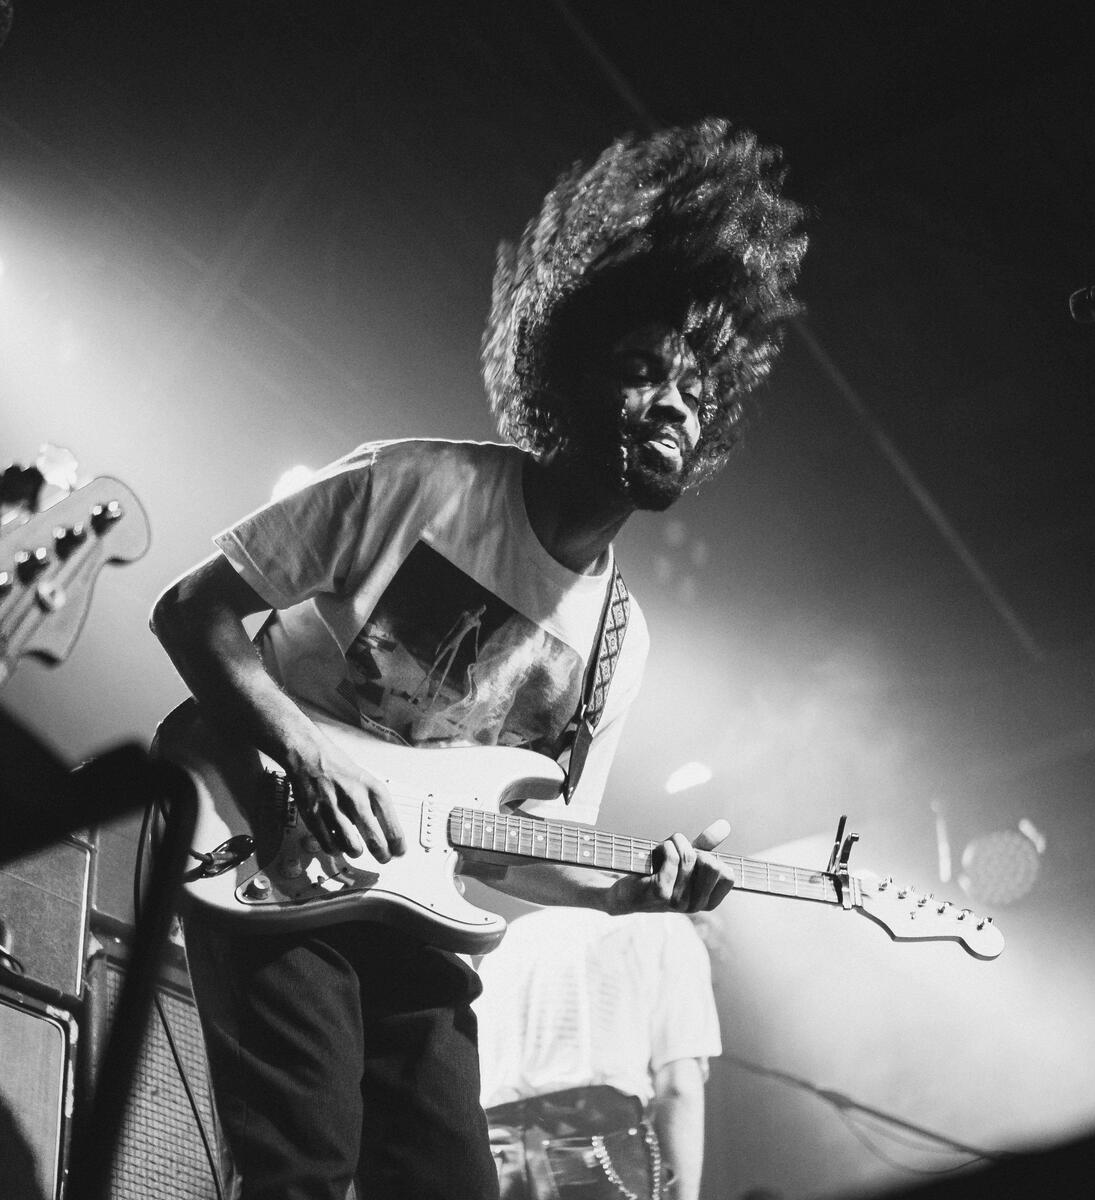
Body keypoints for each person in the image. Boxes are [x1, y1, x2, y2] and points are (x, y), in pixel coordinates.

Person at [149, 118, 806, 1200]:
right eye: (642, 371)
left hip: (416, 917)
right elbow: (192, 613)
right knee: (304, 1165)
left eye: (693, 393)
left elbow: (519, 851)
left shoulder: (617, 642)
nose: (671, 405)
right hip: (264, 845)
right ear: (570, 374)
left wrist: (630, 898)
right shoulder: (417, 485)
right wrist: (311, 754)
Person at [474, 906, 721, 1200]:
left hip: (495, 1159)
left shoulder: (509, 934)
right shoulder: (669, 926)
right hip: (596, 1149)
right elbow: (679, 1085)